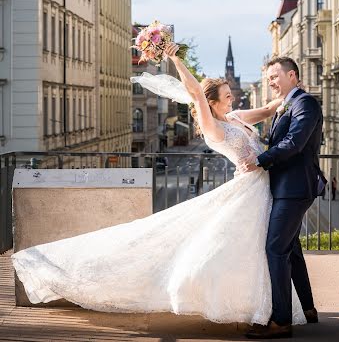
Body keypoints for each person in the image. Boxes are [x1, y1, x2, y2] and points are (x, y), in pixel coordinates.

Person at [10, 45, 309, 332]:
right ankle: (262, 309)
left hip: (260, 187)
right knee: (253, 250)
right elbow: (194, 92)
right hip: (249, 189)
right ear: (212, 102)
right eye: (227, 97)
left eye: (231, 96)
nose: (232, 101)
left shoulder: (234, 118)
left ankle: (274, 308)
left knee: (262, 251)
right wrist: (175, 58)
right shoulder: (212, 126)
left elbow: (270, 108)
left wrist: (293, 92)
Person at [239, 57, 323, 339]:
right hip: (287, 186)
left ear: (292, 75)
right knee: (292, 248)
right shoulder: (289, 103)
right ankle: (308, 309)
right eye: (269, 78)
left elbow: (295, 143)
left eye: (275, 76)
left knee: (275, 249)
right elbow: (280, 138)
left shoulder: (305, 103)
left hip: (295, 188)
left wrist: (260, 160)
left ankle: (281, 321)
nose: (271, 82)